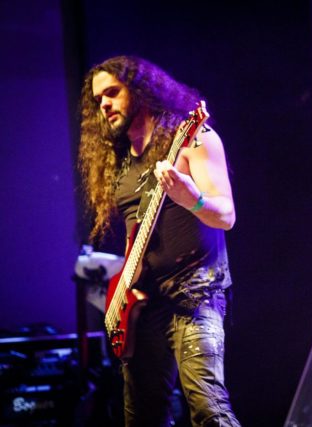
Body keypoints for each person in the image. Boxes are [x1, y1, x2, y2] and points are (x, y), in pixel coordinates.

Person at [78, 55, 241, 427]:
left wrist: (192, 199)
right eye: (98, 99)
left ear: (140, 90)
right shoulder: (120, 164)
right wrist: (119, 294)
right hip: (144, 304)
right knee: (142, 418)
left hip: (195, 293)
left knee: (208, 409)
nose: (104, 105)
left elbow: (226, 215)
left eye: (112, 93)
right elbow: (134, 240)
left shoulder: (193, 139)